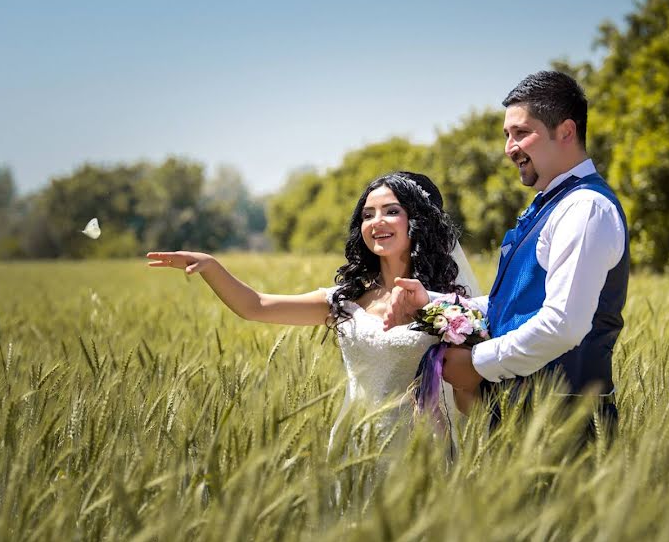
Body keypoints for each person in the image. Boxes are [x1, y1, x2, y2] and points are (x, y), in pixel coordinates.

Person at [147, 172, 480, 455]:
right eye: (367, 214)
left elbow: (470, 400)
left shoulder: (447, 307)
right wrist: (211, 266)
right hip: (355, 446)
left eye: (391, 211)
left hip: (421, 451)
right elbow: (255, 306)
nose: (376, 222)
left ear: (418, 222)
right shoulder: (345, 300)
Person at [384, 71, 628, 429]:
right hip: (522, 414)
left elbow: (563, 326)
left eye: (521, 133)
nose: (509, 148)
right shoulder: (554, 204)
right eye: (507, 135)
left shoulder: (585, 208)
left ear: (566, 132)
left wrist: (477, 364)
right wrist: (432, 303)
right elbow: (514, 306)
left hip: (564, 420)